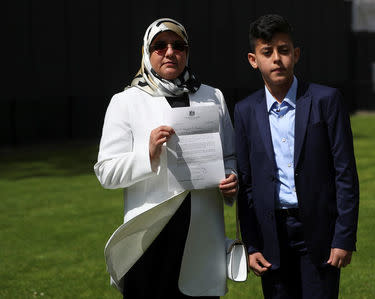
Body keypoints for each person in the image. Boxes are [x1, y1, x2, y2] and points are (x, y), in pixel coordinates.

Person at [94, 18, 237, 298]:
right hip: (149, 236)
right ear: (147, 52)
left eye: (178, 45)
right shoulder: (126, 102)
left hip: (202, 234)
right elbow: (106, 172)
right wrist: (147, 155)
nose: (170, 52)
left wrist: (233, 178)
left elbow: (230, 156)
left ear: (187, 51)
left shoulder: (212, 97)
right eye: (160, 46)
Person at [234, 14, 359, 299]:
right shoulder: (244, 111)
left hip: (319, 231)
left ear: (296, 54)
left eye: (284, 50)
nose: (277, 58)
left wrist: (344, 237)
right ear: (254, 59)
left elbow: (345, 174)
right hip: (271, 235)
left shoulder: (326, 100)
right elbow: (247, 183)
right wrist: (252, 245)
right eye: (267, 52)